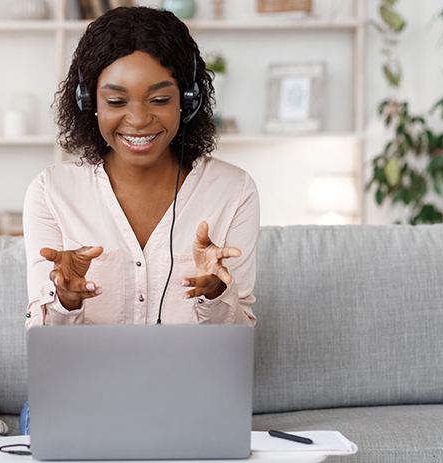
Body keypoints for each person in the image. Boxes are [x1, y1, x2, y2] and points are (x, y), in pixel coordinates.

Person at [20, 6, 259, 434]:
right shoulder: (51, 191)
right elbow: (45, 347)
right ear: (88, 101)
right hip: (79, 395)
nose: (138, 119)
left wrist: (216, 294)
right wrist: (66, 299)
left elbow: (236, 350)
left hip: (191, 397)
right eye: (116, 101)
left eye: (160, 99)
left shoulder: (233, 190)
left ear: (188, 101)